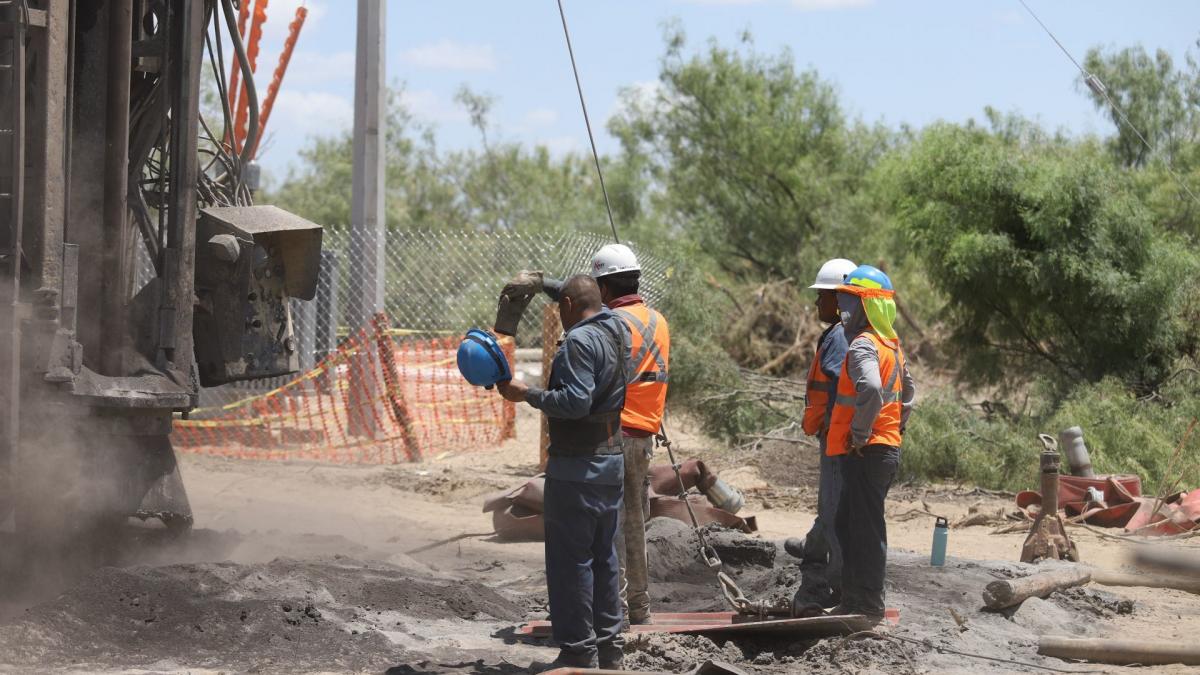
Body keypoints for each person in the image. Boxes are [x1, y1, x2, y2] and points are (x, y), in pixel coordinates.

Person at [495, 274, 629, 671]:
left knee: (571, 563)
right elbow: (579, 296)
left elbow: (575, 402)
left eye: (560, 305)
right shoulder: (617, 329)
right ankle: (609, 650)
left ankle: (576, 650)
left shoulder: (578, 343)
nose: (560, 313)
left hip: (577, 470)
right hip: (610, 466)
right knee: (604, 558)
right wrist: (544, 284)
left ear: (569, 306)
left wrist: (528, 394)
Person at [825, 265, 916, 621]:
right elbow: (908, 393)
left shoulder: (864, 344)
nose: (845, 311)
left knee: (864, 530)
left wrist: (861, 434)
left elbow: (875, 389)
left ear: (868, 307)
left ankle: (867, 605)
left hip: (868, 450)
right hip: (884, 448)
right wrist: (897, 427)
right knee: (851, 525)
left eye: (850, 303)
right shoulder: (890, 344)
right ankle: (855, 600)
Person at [590, 243, 669, 627]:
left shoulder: (612, 325)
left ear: (604, 288)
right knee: (635, 520)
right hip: (644, 435)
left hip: (616, 434)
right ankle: (638, 606)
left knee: (612, 522)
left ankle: (616, 606)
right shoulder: (658, 321)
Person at [786, 258, 858, 616]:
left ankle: (833, 586)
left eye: (823, 296)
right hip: (843, 436)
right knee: (833, 508)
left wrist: (833, 425)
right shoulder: (851, 334)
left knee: (833, 511)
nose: (817, 304)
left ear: (841, 298)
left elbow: (841, 389)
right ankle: (814, 551)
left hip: (837, 438)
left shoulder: (840, 338)